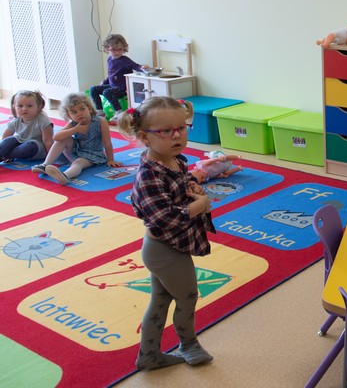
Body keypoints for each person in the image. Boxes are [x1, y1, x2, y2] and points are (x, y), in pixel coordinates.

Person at [117, 96, 215, 371]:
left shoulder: (174, 160)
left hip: (172, 245)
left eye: (182, 128)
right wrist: (201, 204)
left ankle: (149, 355)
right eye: (166, 131)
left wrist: (193, 189)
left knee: (161, 299)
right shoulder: (149, 175)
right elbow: (166, 218)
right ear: (143, 137)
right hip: (164, 250)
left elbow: (183, 184)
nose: (177, 135)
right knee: (188, 296)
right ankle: (188, 344)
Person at [31, 93, 121, 185]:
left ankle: (65, 176)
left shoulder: (100, 121)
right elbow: (56, 137)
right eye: (74, 112)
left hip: (93, 155)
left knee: (78, 163)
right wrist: (75, 130)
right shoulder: (73, 124)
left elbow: (107, 142)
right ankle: (45, 165)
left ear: (89, 108)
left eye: (82, 109)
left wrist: (110, 159)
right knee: (63, 138)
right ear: (69, 116)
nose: (79, 113)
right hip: (76, 151)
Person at [90, 33, 148, 122]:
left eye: (120, 49)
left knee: (107, 92)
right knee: (93, 89)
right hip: (113, 86)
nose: (117, 52)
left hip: (123, 88)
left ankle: (119, 113)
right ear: (107, 48)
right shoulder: (110, 59)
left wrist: (142, 68)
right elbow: (112, 75)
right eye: (114, 49)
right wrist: (104, 82)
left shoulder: (124, 60)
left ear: (124, 48)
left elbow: (135, 66)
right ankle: (100, 112)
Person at [0, 90, 54, 162]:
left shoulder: (43, 120)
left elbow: (48, 140)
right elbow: (6, 136)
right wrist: (4, 147)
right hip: (21, 141)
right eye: (20, 106)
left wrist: (50, 158)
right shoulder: (17, 119)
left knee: (29, 146)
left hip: (36, 146)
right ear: (14, 107)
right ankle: (4, 155)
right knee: (8, 141)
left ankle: (5, 156)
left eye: (29, 106)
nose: (24, 109)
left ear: (39, 107)